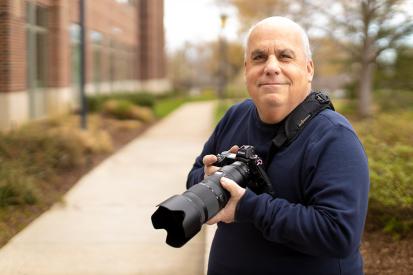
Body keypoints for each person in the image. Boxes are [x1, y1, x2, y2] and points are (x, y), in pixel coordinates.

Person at [186, 16, 369, 275]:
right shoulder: (235, 116)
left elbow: (339, 233)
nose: (271, 67)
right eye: (259, 58)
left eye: (285, 57)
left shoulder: (334, 137)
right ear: (247, 68)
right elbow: (195, 173)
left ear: (308, 69)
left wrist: (248, 206)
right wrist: (209, 180)